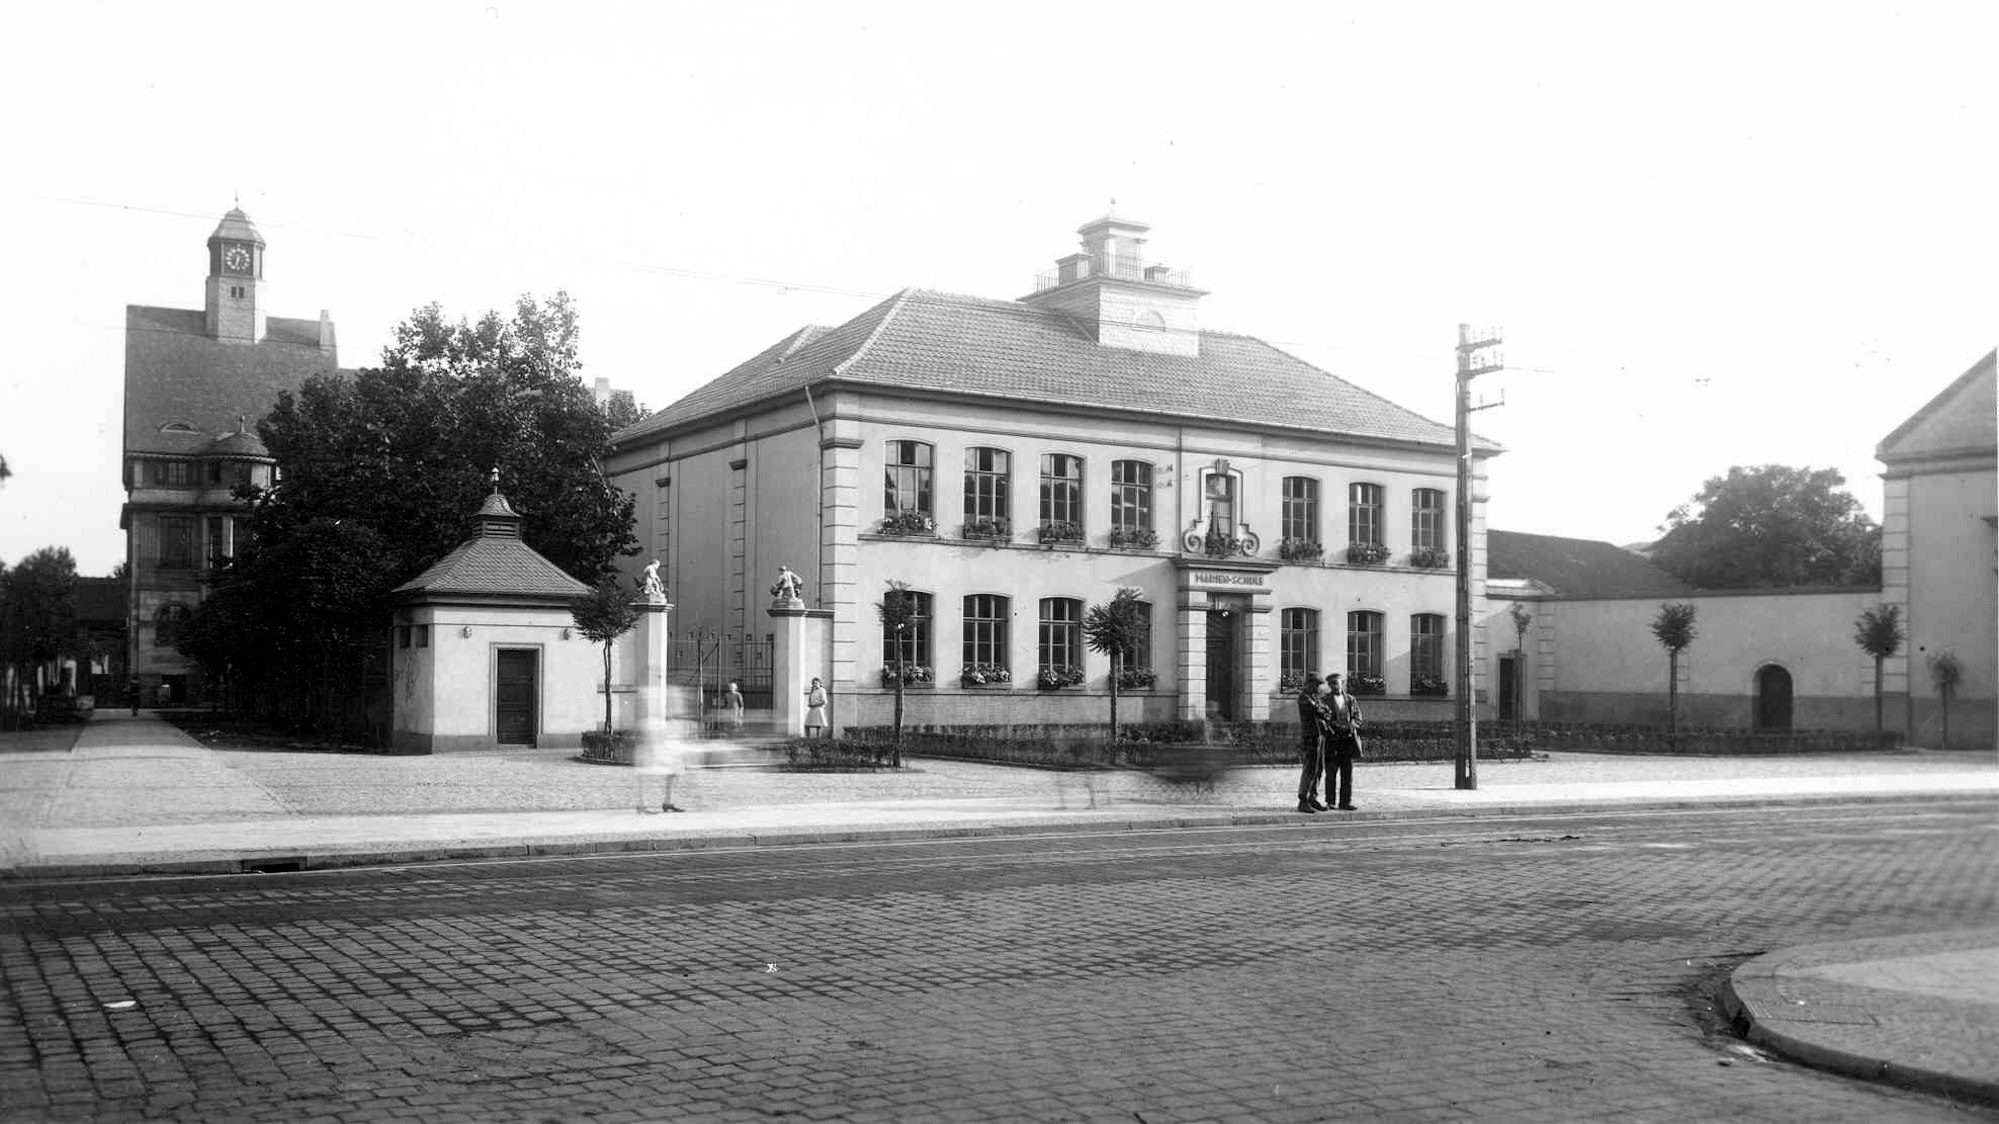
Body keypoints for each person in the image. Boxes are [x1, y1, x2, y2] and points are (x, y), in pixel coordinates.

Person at [1322, 673, 1364, 810]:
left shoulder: (1350, 700)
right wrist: (1332, 727)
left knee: (1347, 773)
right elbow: (1323, 719)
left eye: (1337, 682)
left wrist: (1351, 725)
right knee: (1331, 772)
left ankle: (1345, 802)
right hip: (1332, 741)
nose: (1335, 685)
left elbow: (1358, 717)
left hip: (1347, 741)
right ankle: (1330, 801)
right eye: (1332, 683)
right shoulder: (1325, 700)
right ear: (1329, 685)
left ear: (1342, 683)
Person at [1295, 674, 1330, 813]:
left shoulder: (1315, 697)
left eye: (1319, 685)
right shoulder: (1304, 697)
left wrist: (1323, 710)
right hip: (1310, 735)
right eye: (1315, 684)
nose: (1318, 687)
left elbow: (1327, 710)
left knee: (1319, 768)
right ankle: (1303, 799)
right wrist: (1322, 710)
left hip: (1319, 734)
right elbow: (1319, 711)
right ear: (1308, 684)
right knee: (1310, 768)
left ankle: (1312, 797)